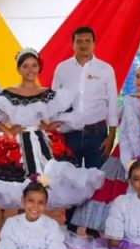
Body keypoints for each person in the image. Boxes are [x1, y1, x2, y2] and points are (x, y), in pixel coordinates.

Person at [0, 48, 104, 211]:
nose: (30, 70)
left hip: (43, 144)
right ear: (19, 69)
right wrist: (7, 130)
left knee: (47, 186)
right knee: (17, 188)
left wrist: (53, 124)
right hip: (17, 144)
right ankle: (21, 226)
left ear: (39, 67)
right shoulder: (9, 93)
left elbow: (70, 114)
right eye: (25, 66)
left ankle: (38, 228)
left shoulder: (48, 94)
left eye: (33, 65)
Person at [71, 64, 140, 236]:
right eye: (138, 76)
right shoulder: (129, 99)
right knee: (106, 185)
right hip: (124, 150)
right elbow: (115, 119)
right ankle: (94, 223)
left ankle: (133, 227)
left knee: (138, 185)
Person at [51, 26, 119, 226]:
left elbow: (113, 102)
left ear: (94, 43)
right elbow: (55, 101)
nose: (83, 45)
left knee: (95, 180)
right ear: (73, 44)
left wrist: (112, 134)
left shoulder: (105, 69)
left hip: (97, 133)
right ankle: (71, 225)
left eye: (87, 41)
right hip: (69, 134)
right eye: (79, 41)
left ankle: (93, 228)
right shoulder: (62, 69)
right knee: (70, 181)